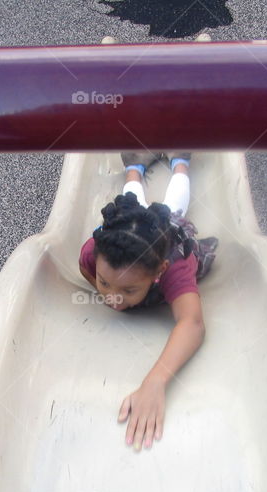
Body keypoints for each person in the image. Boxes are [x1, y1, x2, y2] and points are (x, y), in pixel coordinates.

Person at [78, 151, 218, 452]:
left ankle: (180, 161)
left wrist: (154, 383)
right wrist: (102, 285)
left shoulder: (173, 266)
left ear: (158, 273)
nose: (113, 297)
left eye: (129, 291)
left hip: (168, 232)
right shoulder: (95, 253)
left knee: (171, 210)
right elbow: (86, 267)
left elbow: (192, 324)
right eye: (104, 283)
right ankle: (134, 167)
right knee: (131, 207)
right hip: (135, 228)